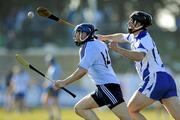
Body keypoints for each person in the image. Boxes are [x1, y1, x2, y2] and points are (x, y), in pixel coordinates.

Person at [98, 11, 180, 120]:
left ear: (140, 25)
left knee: (130, 111)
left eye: (132, 21)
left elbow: (139, 56)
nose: (129, 23)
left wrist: (117, 49)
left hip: (155, 78)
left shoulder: (144, 38)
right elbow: (121, 36)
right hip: (165, 79)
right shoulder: (135, 36)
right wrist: (102, 37)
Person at [54, 23, 132, 120]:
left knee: (127, 118)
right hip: (103, 87)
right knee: (80, 108)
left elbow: (82, 71)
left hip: (107, 87)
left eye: (79, 33)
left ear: (85, 35)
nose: (76, 36)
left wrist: (64, 82)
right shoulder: (99, 43)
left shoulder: (90, 47)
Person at [41, 55, 62, 120]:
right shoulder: (52, 67)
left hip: (53, 87)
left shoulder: (54, 68)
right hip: (52, 87)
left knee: (51, 102)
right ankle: (53, 115)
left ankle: (56, 116)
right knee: (50, 102)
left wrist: (48, 84)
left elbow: (54, 79)